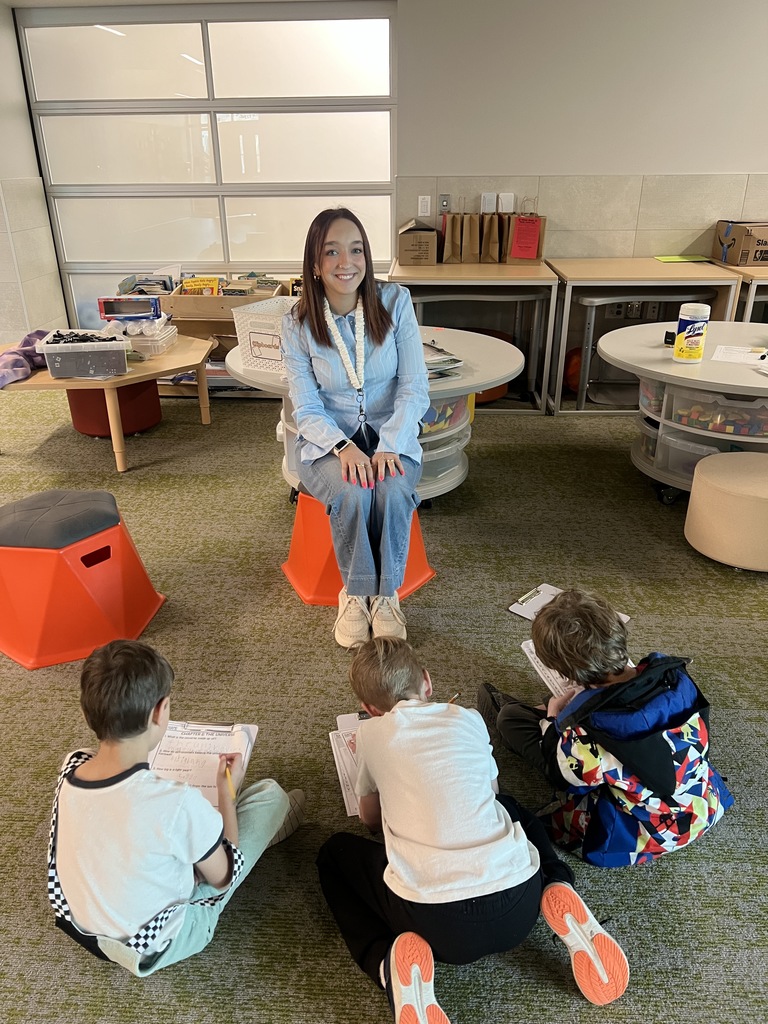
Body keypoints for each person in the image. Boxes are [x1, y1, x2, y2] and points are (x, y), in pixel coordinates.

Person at [317, 638, 629, 1023]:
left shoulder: (370, 735)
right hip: (520, 903)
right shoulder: (468, 718)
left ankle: (385, 963)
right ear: (428, 683)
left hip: (435, 929)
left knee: (333, 854)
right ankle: (556, 881)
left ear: (369, 710)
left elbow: (369, 819)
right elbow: (492, 792)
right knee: (510, 808)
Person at [48, 639, 305, 975]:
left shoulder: (72, 768)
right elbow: (224, 877)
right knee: (270, 796)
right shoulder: (177, 803)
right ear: (160, 711)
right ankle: (271, 822)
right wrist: (225, 791)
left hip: (87, 930)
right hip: (157, 943)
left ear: (87, 711)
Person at [478, 588, 734, 868]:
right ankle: (532, 713)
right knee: (548, 713)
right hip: (703, 804)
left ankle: (520, 715)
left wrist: (552, 721)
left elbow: (566, 778)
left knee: (511, 719)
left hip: (647, 833)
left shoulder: (589, 735)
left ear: (567, 673)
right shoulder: (674, 677)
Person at [281, 208, 430, 649]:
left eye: (356, 249)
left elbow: (414, 387)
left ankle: (386, 596)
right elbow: (305, 406)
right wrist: (344, 447)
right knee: (351, 491)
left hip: (392, 433)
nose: (346, 262)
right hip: (327, 441)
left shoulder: (394, 302)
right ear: (314, 263)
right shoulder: (297, 322)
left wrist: (391, 443)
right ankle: (358, 592)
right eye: (332, 251)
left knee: (392, 489)